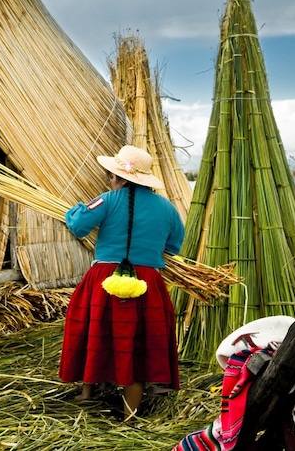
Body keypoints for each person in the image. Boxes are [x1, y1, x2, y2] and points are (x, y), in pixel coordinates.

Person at [59, 145, 185, 420]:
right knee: (138, 341)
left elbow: (78, 225)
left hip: (104, 279)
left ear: (118, 177)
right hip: (147, 281)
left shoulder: (107, 200)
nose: (109, 179)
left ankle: (87, 393)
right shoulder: (167, 208)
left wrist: (75, 210)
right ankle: (131, 413)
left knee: (96, 331)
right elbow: (173, 247)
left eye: (111, 175)